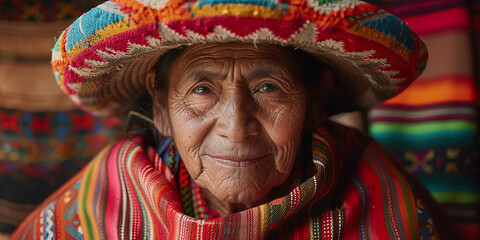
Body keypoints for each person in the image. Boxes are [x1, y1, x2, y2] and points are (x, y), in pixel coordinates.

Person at [11, 0, 455, 239]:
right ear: (162, 108)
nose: (236, 125)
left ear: (315, 100)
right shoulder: (105, 203)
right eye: (202, 90)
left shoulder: (371, 185)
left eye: (268, 87)